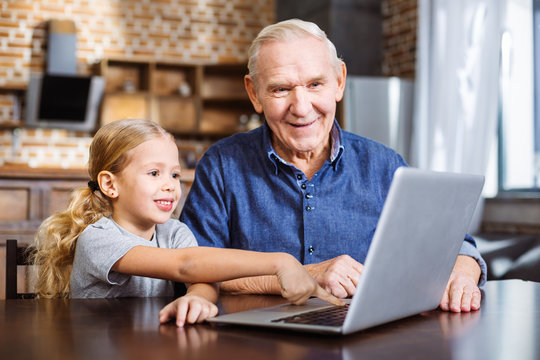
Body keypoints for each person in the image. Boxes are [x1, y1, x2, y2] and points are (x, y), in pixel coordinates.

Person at [180, 19, 488, 313]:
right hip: (258, 344)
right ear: (254, 93)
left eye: (315, 84)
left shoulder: (383, 165)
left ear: (339, 82)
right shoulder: (221, 165)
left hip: (363, 339)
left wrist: (461, 276)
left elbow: (458, 245)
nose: (301, 108)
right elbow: (197, 267)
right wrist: (306, 274)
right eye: (280, 89)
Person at [31, 119, 341, 327]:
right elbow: (185, 266)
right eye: (154, 173)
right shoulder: (98, 239)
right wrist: (281, 262)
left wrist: (197, 300)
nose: (170, 185)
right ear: (111, 185)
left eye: (175, 175)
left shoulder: (174, 231)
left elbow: (201, 278)